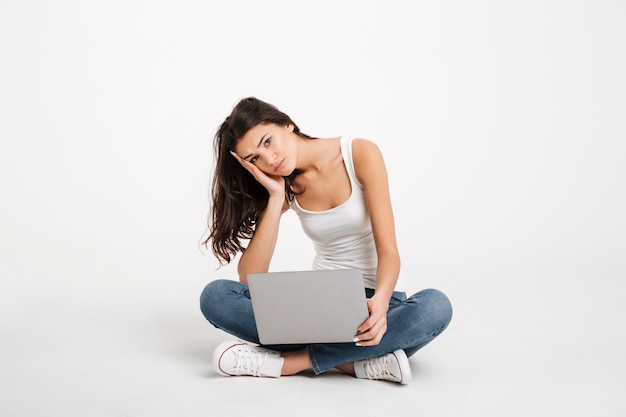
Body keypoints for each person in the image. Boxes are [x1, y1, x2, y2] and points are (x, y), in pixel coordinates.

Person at [200, 97, 452, 384]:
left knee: (435, 307)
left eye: (268, 141)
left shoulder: (359, 153)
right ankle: (358, 362)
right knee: (215, 296)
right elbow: (250, 276)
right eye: (254, 158)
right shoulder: (287, 185)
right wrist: (275, 198)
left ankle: (291, 363)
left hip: (381, 301)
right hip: (321, 306)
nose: (269, 159)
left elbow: (389, 251)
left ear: (287, 124)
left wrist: (380, 305)